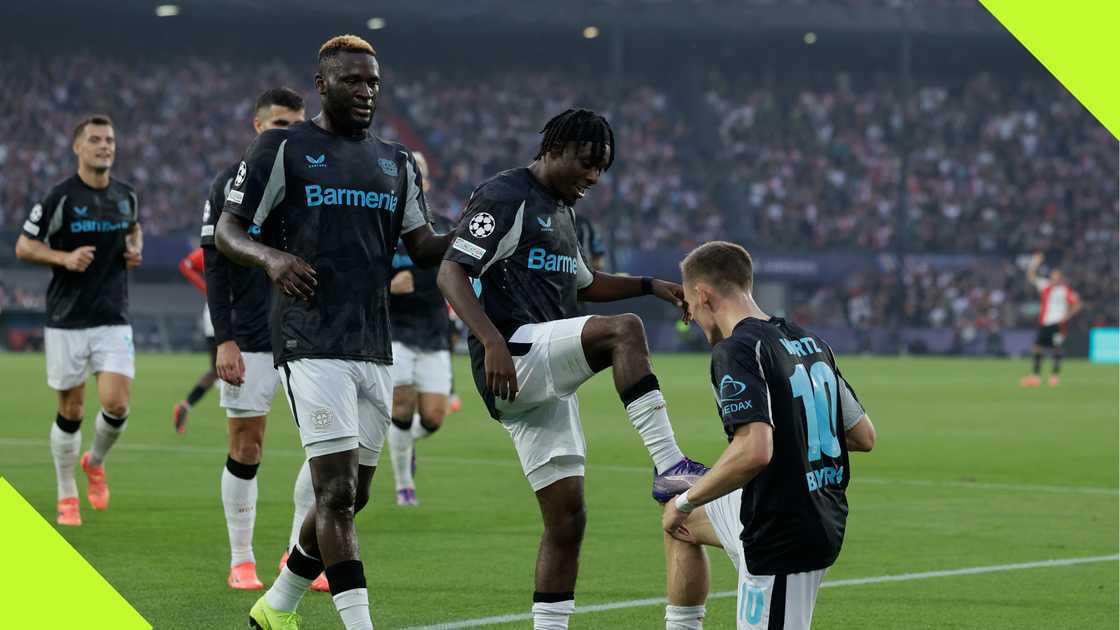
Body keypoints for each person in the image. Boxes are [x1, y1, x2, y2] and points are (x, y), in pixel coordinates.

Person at [438, 108, 707, 630]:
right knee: (623, 330)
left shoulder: (563, 214)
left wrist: (650, 285)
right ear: (554, 149)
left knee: (567, 520)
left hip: (541, 379)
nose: (593, 177)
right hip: (511, 356)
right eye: (587, 163)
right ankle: (669, 463)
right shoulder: (506, 194)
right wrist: (490, 338)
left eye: (602, 169)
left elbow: (583, 283)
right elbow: (452, 270)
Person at [215, 35, 451, 630]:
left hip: (373, 345)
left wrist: (481, 228)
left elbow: (423, 247)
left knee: (352, 497)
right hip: (308, 341)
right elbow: (227, 230)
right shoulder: (282, 149)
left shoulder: (394, 162)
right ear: (322, 85)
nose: (366, 91)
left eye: (372, 81)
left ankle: (276, 606)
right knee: (338, 496)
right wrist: (271, 260)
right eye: (352, 80)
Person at [661, 241, 873, 630]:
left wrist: (691, 498)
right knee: (676, 522)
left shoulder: (737, 349)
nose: (689, 315)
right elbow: (862, 435)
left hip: (782, 532)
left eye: (688, 302)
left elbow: (754, 451)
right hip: (814, 510)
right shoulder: (811, 342)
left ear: (703, 293)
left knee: (682, 507)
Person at [200, 86, 324, 591]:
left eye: (294, 125)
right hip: (250, 337)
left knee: (325, 449)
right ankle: (241, 559)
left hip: (308, 334)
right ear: (257, 127)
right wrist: (223, 338)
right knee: (247, 446)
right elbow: (214, 264)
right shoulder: (229, 183)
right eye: (278, 125)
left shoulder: (314, 177)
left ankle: (297, 554)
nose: (287, 134)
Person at [14, 114, 142, 527]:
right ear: (78, 147)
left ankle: (96, 461)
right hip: (66, 319)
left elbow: (134, 230)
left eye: (110, 140)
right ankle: (66, 493)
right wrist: (63, 258)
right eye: (96, 140)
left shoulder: (126, 196)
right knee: (71, 409)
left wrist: (134, 249)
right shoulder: (60, 197)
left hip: (112, 317)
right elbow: (24, 245)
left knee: (117, 404)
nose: (105, 146)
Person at [385, 151, 456, 507]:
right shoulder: (380, 225)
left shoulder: (442, 226)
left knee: (433, 417)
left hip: (432, 331)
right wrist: (387, 287)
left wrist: (416, 281)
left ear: (425, 182)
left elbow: (451, 277)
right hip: (394, 329)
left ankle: (402, 444)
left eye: (420, 174)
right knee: (400, 405)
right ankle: (403, 485)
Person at [172, 247, 218, 434]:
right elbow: (185, 265)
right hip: (225, 312)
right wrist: (206, 289)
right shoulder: (216, 244)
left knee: (217, 370)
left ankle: (186, 405)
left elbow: (186, 265)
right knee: (232, 366)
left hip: (219, 311)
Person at [1021, 253, 1080, 387]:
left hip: (1058, 324)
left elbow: (1077, 304)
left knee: (1056, 349)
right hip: (1045, 323)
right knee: (1037, 348)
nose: (1054, 278)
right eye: (1053, 275)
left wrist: (1067, 316)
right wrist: (1035, 263)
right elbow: (1031, 276)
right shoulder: (1045, 286)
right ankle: (1036, 377)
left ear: (1061, 278)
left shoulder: (1065, 290)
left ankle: (1054, 376)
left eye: (1057, 276)